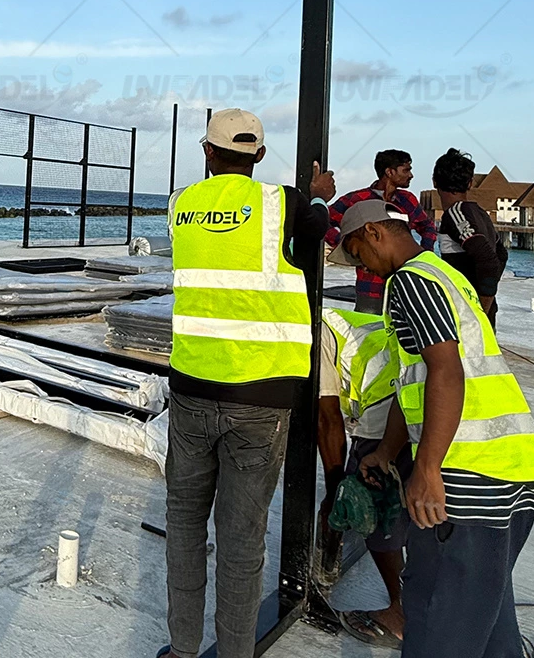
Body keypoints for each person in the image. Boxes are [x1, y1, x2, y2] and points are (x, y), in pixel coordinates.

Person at [330, 199, 534, 658]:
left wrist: (428, 468)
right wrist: (388, 450)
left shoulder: (410, 283)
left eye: (357, 253)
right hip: (511, 468)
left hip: (467, 476)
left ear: (374, 233)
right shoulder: (445, 275)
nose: (362, 267)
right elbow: (414, 379)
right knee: (487, 620)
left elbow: (445, 372)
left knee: (440, 620)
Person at [161, 108, 336, 658]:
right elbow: (317, 229)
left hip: (191, 389)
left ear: (207, 152)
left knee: (185, 529)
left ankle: (183, 650)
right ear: (258, 156)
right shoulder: (282, 205)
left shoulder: (179, 204)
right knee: (242, 542)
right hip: (261, 400)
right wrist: (319, 194)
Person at [314, 307, 407, 650]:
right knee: (410, 505)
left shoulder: (312, 331)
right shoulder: (335, 320)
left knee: (372, 506)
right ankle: (424, 602)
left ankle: (400, 612)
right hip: (410, 393)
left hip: (385, 402)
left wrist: (335, 488)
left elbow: (327, 418)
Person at [325, 149, 437, 314]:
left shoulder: (408, 200)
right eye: (406, 170)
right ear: (389, 172)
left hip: (404, 283)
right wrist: (346, 246)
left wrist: (425, 253)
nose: (411, 175)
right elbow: (324, 220)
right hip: (370, 286)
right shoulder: (356, 199)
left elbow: (427, 225)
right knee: (367, 329)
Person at [433, 148, 507, 328]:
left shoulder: (455, 214)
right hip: (481, 315)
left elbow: (488, 260)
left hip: (466, 315)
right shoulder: (480, 213)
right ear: (470, 184)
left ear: (434, 182)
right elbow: (501, 255)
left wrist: (479, 310)